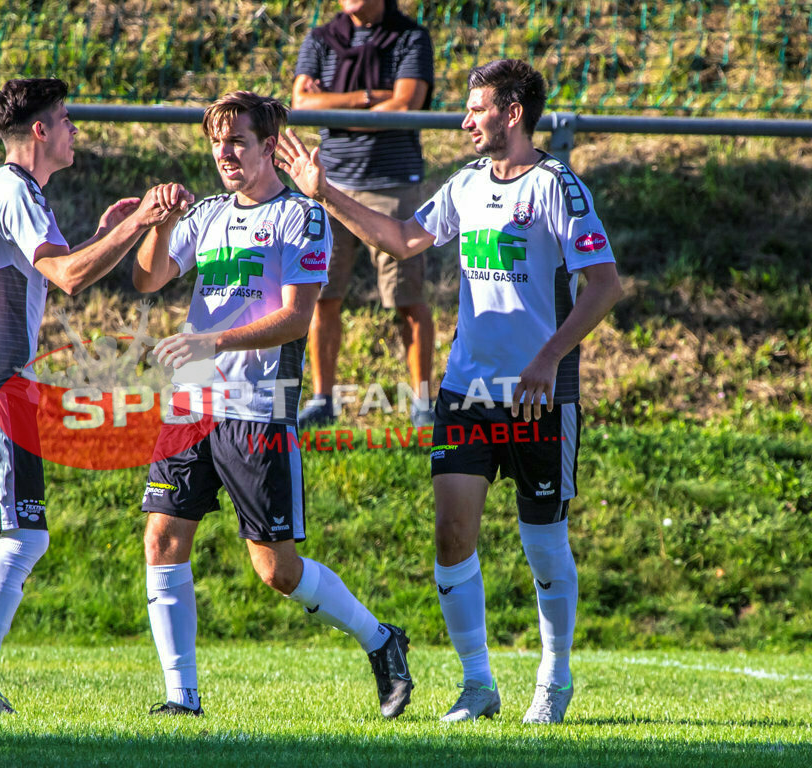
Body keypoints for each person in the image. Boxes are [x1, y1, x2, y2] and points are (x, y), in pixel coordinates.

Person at [276, 59, 623, 724]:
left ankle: (554, 677)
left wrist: (550, 358)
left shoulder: (557, 187)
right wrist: (325, 192)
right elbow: (404, 240)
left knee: (542, 540)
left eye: (477, 108)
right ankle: (478, 684)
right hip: (467, 391)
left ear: (512, 112)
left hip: (538, 397)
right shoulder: (466, 186)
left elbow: (604, 284)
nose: (465, 120)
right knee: (451, 535)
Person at [133, 90, 413, 719]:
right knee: (162, 538)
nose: (224, 153)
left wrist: (213, 338)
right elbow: (149, 279)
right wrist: (160, 223)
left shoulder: (301, 218)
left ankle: (381, 639)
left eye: (237, 141)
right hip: (193, 402)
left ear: (267, 147)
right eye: (216, 142)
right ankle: (182, 699)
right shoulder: (204, 214)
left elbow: (295, 320)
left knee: (277, 572)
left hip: (258, 406)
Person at [0, 77, 184, 714]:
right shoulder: (16, 190)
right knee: (21, 538)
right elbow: (68, 276)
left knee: (20, 537)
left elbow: (51, 265)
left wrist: (112, 233)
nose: (75, 129)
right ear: (40, 131)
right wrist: (140, 221)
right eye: (66, 119)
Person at [292, 0, 436, 428]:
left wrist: (336, 112)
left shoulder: (410, 37)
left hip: (392, 185)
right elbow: (299, 102)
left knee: (407, 298)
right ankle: (322, 400)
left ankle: (422, 403)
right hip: (328, 186)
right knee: (321, 295)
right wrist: (372, 101)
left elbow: (408, 106)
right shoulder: (321, 38)